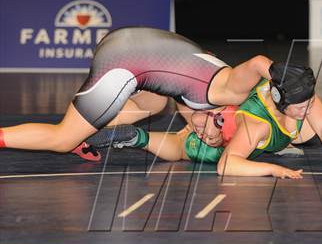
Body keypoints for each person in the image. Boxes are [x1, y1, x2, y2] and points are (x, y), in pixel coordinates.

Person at [0, 27, 274, 159]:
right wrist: (285, 81)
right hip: (123, 63)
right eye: (207, 132)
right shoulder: (233, 92)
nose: (198, 131)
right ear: (221, 114)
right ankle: (69, 137)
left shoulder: (212, 92)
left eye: (200, 136)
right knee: (61, 138)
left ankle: (81, 134)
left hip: (125, 39)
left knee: (153, 104)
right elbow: (258, 63)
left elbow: (181, 143)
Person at [88, 64, 322, 179]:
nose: (308, 109)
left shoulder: (301, 98)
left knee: (198, 123)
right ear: (279, 103)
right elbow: (227, 165)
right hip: (216, 136)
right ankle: (137, 137)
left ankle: (174, 113)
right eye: (301, 107)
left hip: (217, 114)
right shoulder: (258, 124)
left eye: (309, 103)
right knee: (182, 146)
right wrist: (273, 169)